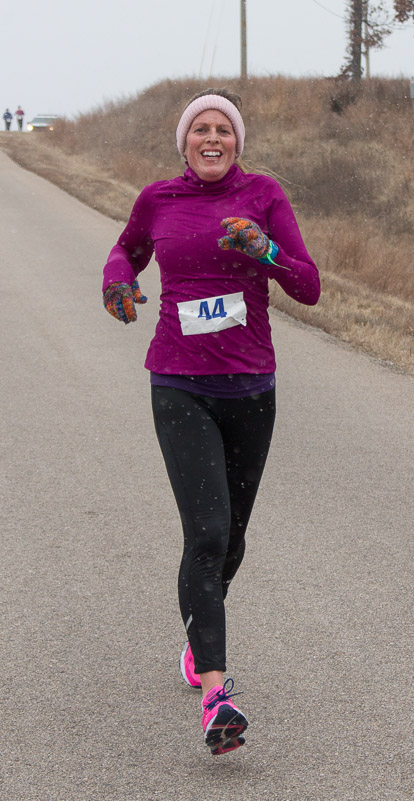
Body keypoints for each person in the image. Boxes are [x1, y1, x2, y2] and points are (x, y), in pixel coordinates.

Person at [102, 87, 320, 756]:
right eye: (201, 128)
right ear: (185, 142)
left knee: (233, 541)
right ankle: (217, 694)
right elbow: (125, 251)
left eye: (224, 128)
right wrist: (116, 280)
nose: (213, 137)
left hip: (251, 387)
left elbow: (308, 285)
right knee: (207, 532)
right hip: (179, 384)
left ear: (238, 141)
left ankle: (200, 635)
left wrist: (265, 251)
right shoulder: (158, 200)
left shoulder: (264, 196)